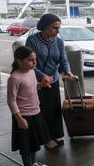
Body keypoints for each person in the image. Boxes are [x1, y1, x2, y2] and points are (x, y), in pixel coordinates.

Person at [25, 13, 75, 150]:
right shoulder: (32, 40)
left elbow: (63, 59)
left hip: (53, 80)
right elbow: (30, 64)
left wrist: (68, 71)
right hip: (38, 82)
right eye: (55, 28)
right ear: (45, 27)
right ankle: (46, 139)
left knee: (54, 110)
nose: (58, 31)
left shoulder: (58, 41)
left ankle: (55, 135)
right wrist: (42, 77)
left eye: (59, 28)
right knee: (42, 111)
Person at [7, 46, 55, 166]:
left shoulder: (31, 72)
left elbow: (33, 86)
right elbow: (11, 101)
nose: (34, 63)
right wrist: (19, 119)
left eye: (35, 60)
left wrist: (42, 85)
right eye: (30, 60)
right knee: (26, 145)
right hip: (24, 116)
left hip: (36, 112)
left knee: (34, 141)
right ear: (19, 61)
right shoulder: (14, 78)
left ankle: (33, 163)